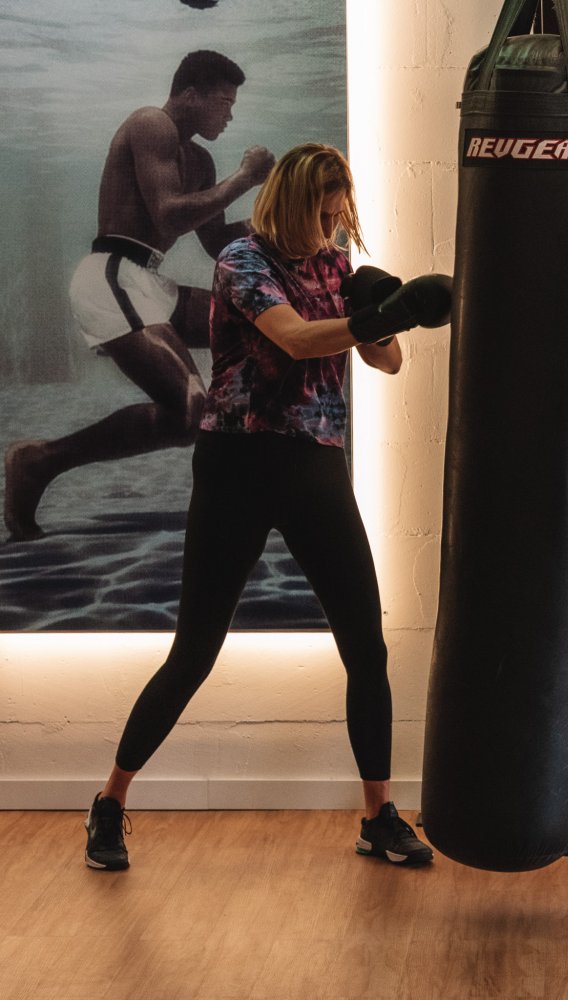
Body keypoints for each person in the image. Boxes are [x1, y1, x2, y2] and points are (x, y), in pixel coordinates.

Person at [82, 142, 452, 871]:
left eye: (341, 207)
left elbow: (387, 361)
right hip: (238, 465)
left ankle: (378, 815)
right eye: (324, 207)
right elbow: (297, 337)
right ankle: (110, 804)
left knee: (366, 649)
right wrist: (382, 315)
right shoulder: (243, 262)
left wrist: (385, 310)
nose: (335, 219)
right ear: (292, 202)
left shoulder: (338, 265)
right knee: (195, 652)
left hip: (314, 465)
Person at [4, 50, 275, 541]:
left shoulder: (199, 159)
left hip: (147, 280)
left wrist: (274, 229)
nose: (230, 114)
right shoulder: (152, 124)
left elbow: (214, 242)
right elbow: (170, 214)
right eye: (223, 102)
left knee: (255, 325)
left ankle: (260, 481)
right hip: (111, 275)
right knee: (190, 410)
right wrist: (244, 178)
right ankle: (39, 460)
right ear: (190, 94)